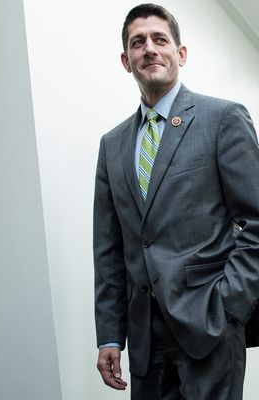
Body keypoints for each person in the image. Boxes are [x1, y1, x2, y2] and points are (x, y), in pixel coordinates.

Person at [93, 3, 259, 399]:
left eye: (159, 39)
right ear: (125, 60)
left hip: (209, 328)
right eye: (138, 42)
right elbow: (109, 250)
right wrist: (109, 336)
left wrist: (229, 304)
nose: (149, 48)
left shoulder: (223, 119)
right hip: (145, 343)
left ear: (180, 54)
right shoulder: (111, 145)